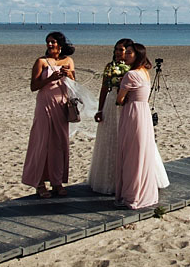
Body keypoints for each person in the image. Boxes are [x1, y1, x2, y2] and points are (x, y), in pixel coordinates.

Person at [115, 43, 170, 209]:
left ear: (137, 55)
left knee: (131, 153)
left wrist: (120, 90)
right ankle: (142, 191)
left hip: (133, 112)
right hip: (143, 112)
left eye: (130, 53)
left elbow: (119, 100)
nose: (126, 55)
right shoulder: (145, 73)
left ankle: (132, 195)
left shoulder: (130, 75)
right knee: (141, 152)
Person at [22, 32, 76, 198]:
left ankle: (57, 181)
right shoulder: (41, 62)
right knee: (42, 141)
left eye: (53, 42)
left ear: (60, 44)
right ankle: (39, 183)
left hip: (62, 104)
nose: (50, 45)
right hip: (45, 103)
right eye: (48, 42)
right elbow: (33, 86)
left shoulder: (68, 61)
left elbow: (74, 83)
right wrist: (50, 78)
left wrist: (69, 74)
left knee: (59, 143)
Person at [86, 38, 134, 194]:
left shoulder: (133, 67)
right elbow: (104, 88)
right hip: (112, 102)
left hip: (128, 103)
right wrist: (100, 110)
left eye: (122, 50)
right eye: (117, 49)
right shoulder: (110, 67)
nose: (119, 53)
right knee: (110, 139)